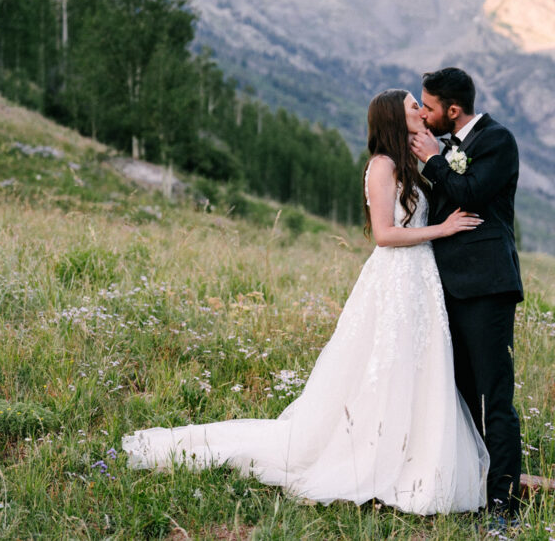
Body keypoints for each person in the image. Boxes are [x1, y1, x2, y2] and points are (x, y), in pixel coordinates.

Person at [123, 89, 489, 515]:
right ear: (393, 117)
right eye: (413, 107)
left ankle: (416, 455)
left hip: (419, 283)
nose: (421, 113)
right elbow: (385, 235)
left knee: (419, 366)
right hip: (395, 279)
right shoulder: (382, 166)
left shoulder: (411, 165)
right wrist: (441, 230)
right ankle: (374, 456)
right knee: (386, 366)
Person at [410, 67, 523, 519]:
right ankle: (468, 486)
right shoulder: (444, 145)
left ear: (453, 111)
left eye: (429, 107)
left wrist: (436, 160)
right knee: (457, 393)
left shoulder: (498, 141)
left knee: (494, 396)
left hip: (487, 287)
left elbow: (470, 194)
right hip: (446, 286)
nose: (423, 112)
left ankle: (503, 504)